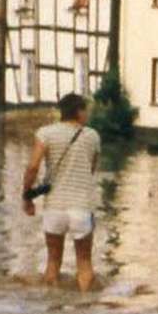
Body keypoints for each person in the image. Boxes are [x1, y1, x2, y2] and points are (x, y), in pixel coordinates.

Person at [21, 92, 101, 290]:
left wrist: (27, 196)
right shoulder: (92, 135)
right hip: (82, 207)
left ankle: (53, 312)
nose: (87, 115)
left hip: (54, 207)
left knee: (53, 262)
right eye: (86, 110)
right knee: (84, 264)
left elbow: (32, 167)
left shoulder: (45, 133)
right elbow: (91, 169)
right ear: (79, 112)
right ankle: (84, 309)